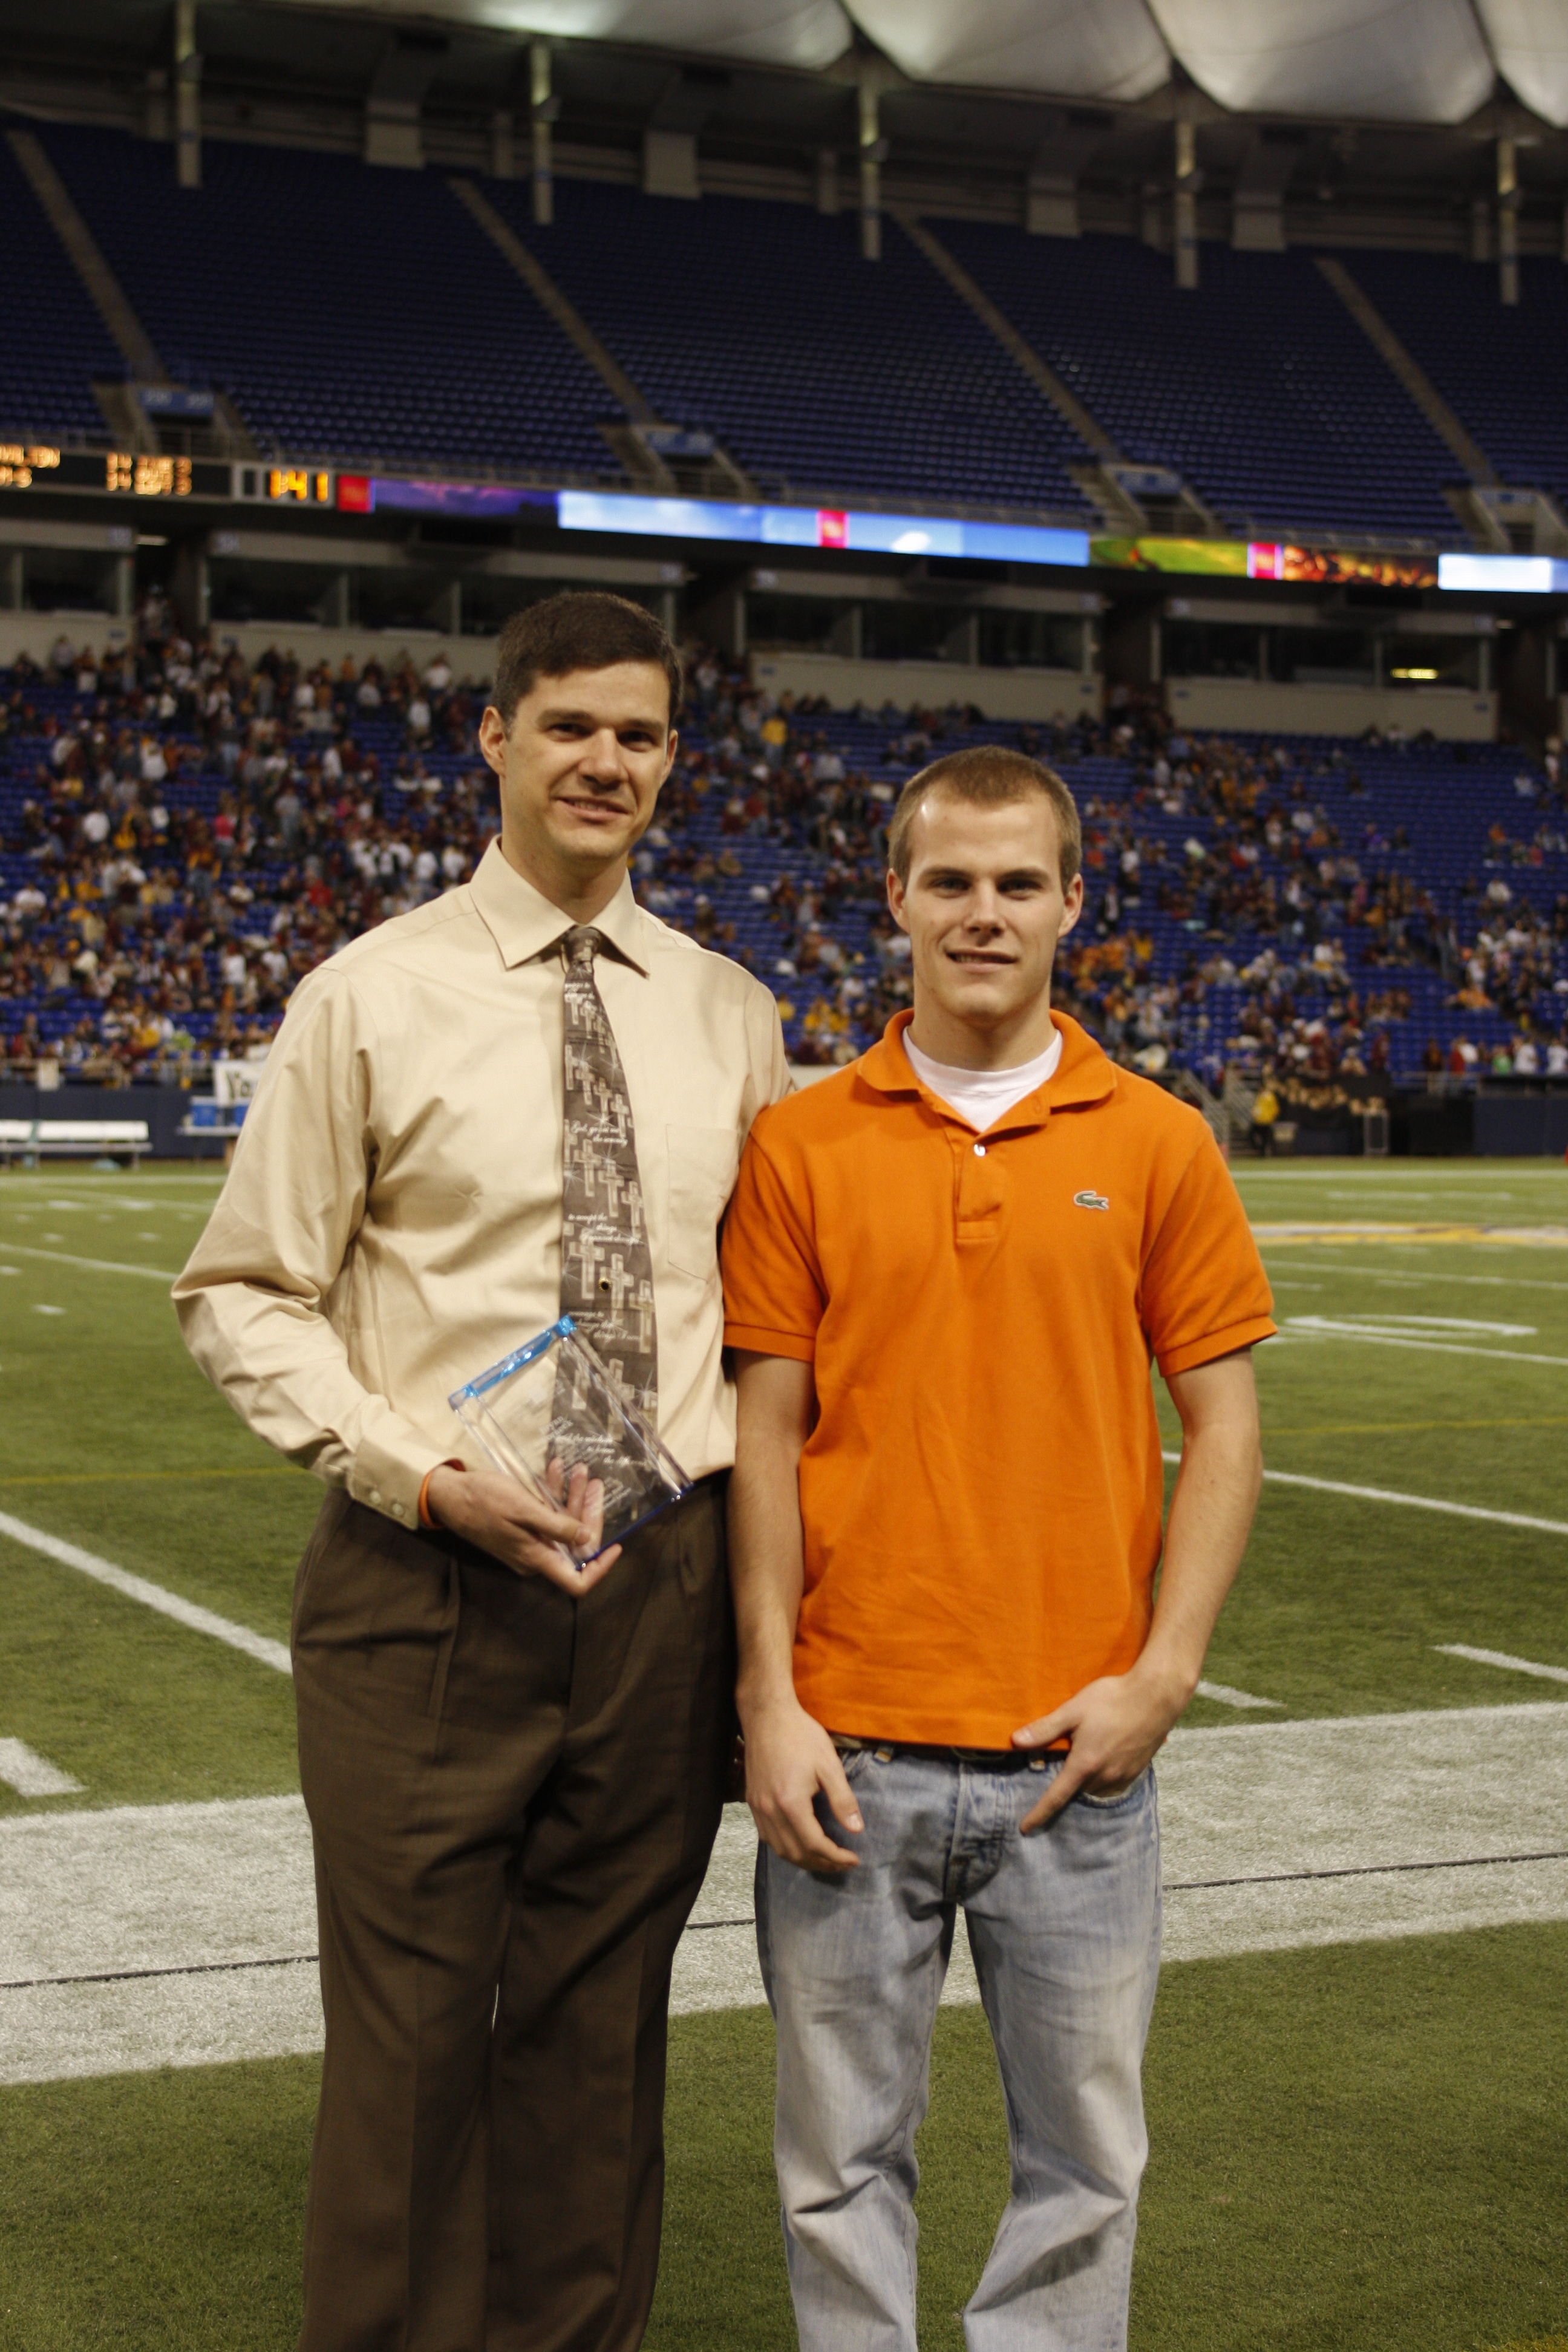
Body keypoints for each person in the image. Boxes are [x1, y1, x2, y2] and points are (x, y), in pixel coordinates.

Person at [174, 592, 788, 2352]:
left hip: (659, 1578)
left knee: (602, 2047)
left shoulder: (731, 1015)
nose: (606, 760)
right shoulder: (371, 995)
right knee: (416, 2048)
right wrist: (425, 1472)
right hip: (427, 1578)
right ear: (497, 740)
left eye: (642, 734)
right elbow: (246, 1293)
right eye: (572, 725)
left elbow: (763, 1327)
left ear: (674, 762)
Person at [720, 746, 1273, 2352]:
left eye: (1017, 882)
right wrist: (768, 1696)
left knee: (1086, 2168)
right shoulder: (802, 1142)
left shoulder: (1162, 1139)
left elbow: (1225, 1427)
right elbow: (765, 1431)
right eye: (950, 881)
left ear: (1072, 904)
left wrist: (1161, 1679)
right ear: (893, 899)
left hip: (1073, 1760)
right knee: (837, 2168)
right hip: (850, 1746)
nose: (983, 913)